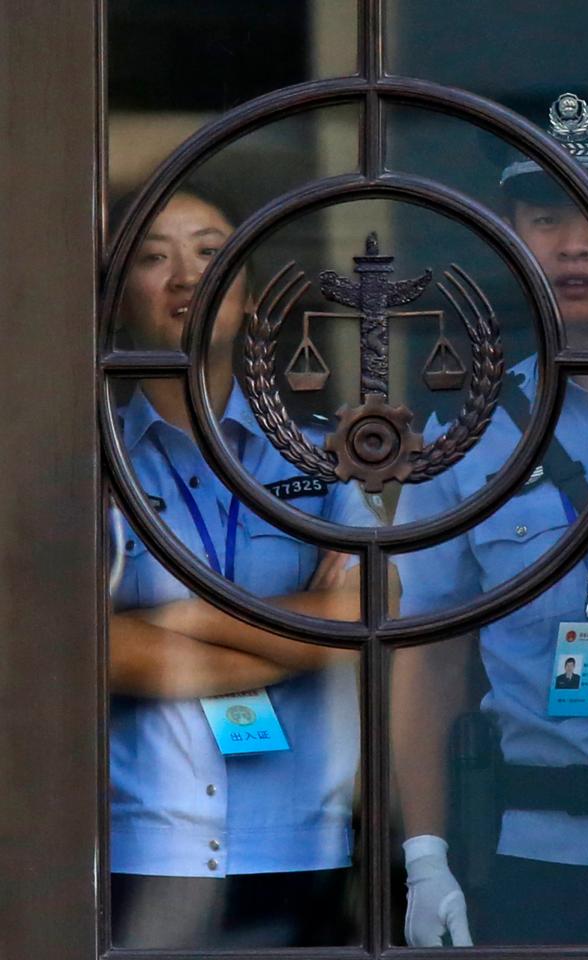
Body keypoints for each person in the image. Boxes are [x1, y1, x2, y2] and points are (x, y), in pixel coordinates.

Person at [393, 91, 588, 947]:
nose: (573, 244)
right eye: (544, 216)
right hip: (531, 851)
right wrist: (425, 858)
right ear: (510, 234)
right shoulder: (470, 431)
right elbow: (429, 653)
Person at [108, 189, 365, 948]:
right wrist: (290, 636)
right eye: (154, 256)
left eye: (211, 250)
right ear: (119, 300)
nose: (186, 276)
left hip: (305, 854)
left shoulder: (325, 462)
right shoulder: (95, 462)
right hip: (143, 853)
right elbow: (82, 653)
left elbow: (363, 624)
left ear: (250, 294)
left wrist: (167, 624)